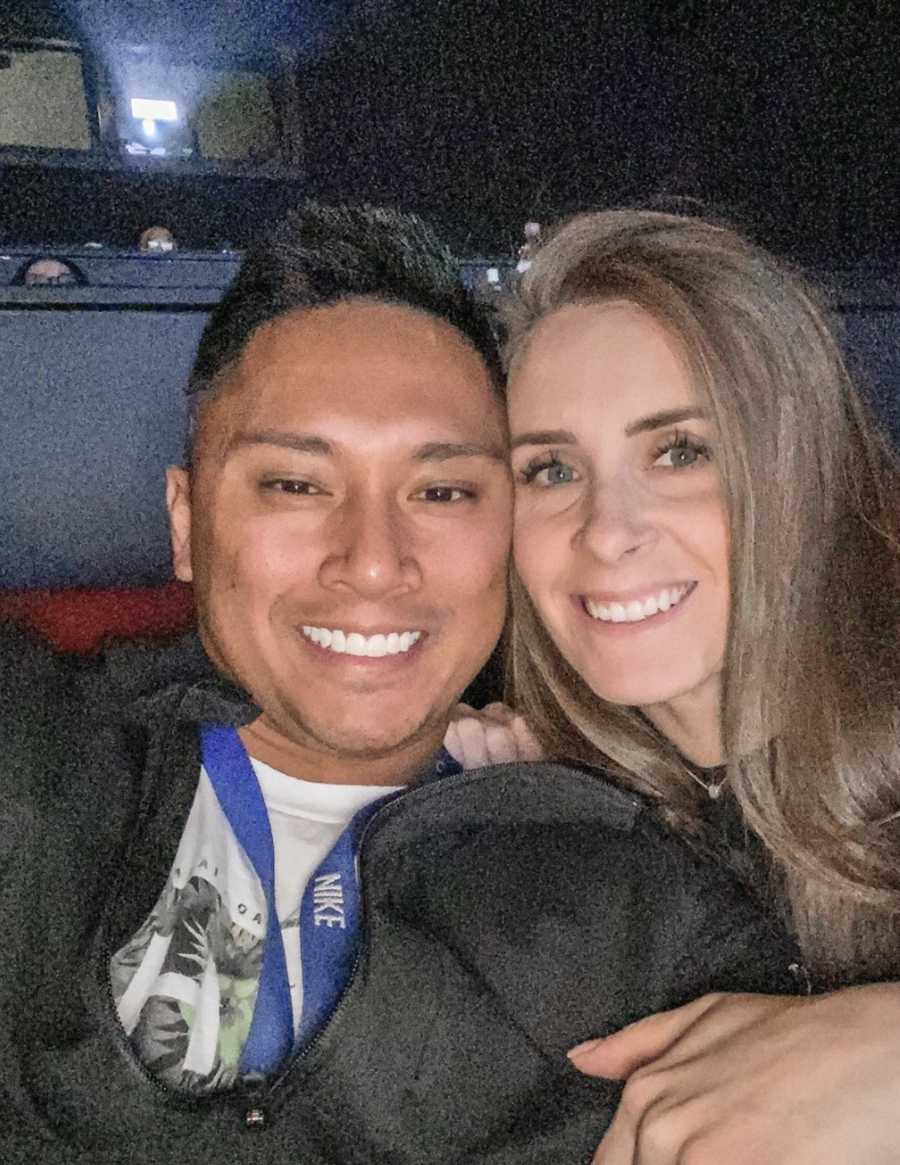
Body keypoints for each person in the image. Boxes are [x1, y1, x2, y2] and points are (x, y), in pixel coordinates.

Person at [0, 202, 798, 1164]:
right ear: (185, 522)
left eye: (443, 491)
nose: (373, 563)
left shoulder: (644, 889)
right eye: (296, 484)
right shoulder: (36, 749)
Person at [470, 206, 900, 1164]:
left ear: (799, 463)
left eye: (679, 452)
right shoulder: (548, 807)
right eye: (550, 468)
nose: (606, 530)